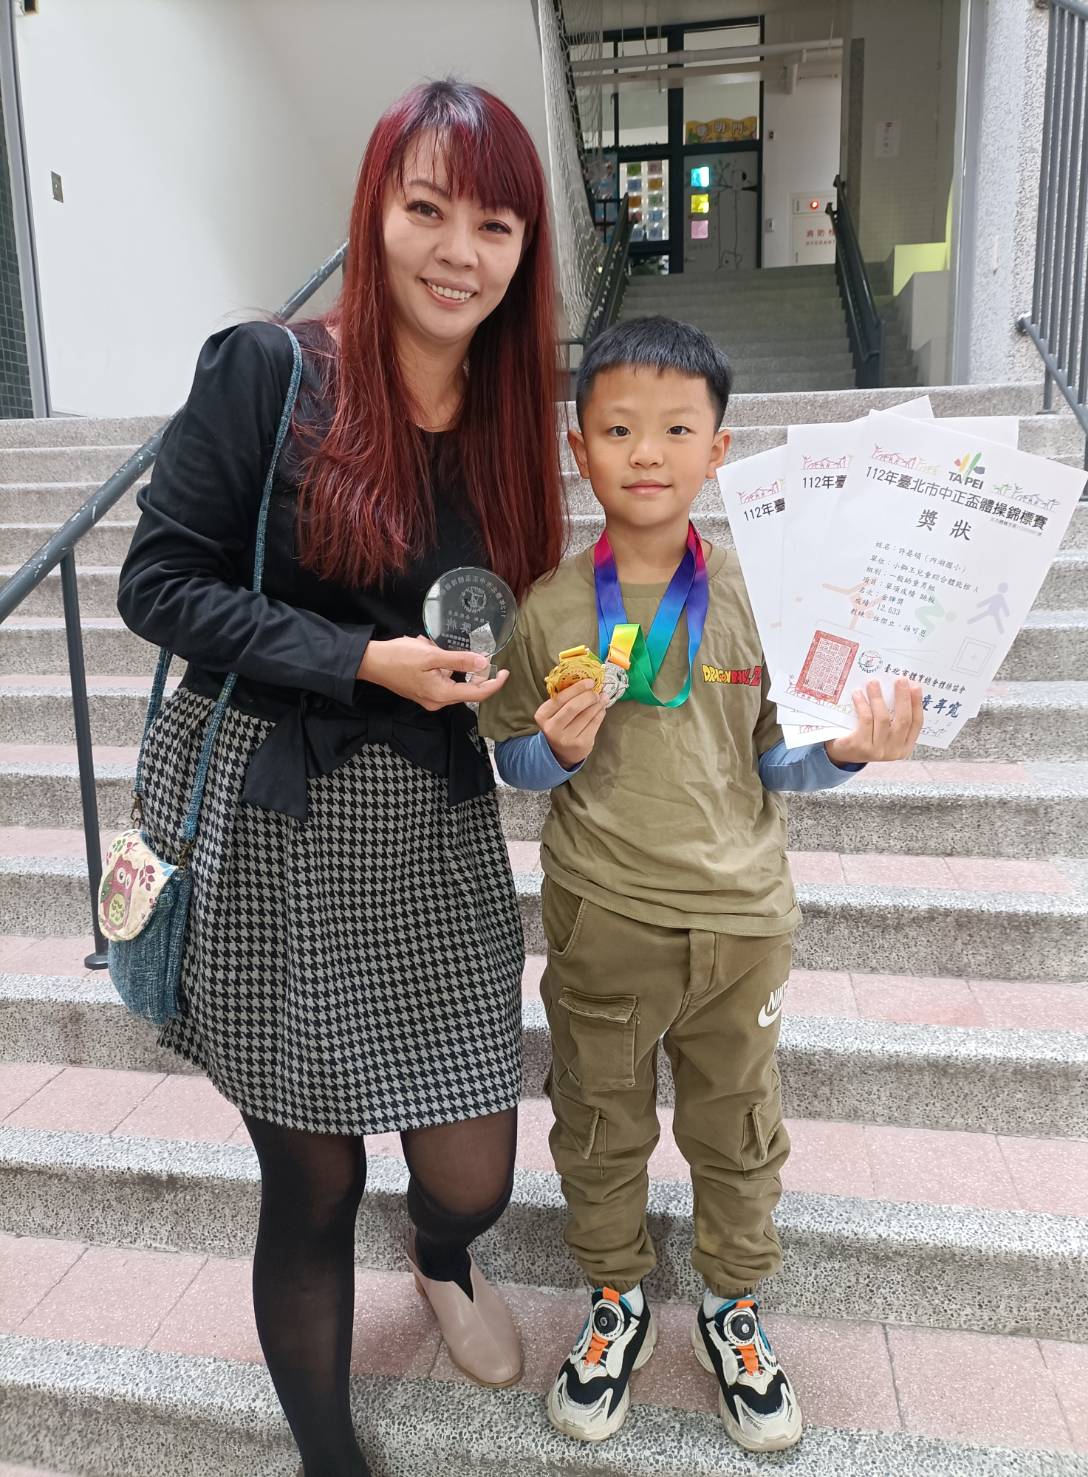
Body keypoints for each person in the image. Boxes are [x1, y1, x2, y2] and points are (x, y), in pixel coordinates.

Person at [116, 81, 564, 1477]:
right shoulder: (272, 370)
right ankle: (328, 1455)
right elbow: (157, 582)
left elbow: (510, 625)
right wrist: (361, 659)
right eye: (427, 208)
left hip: (432, 824)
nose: (458, 250)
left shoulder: (509, 416)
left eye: (493, 224)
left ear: (525, 249)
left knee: (472, 1170)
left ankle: (442, 1253)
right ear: (374, 213)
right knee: (312, 1178)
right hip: (276, 817)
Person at [479, 316, 924, 1453]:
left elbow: (777, 761)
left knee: (739, 1129)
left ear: (718, 450)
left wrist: (846, 751)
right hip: (604, 917)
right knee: (599, 1123)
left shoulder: (763, 595)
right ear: (579, 446)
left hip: (743, 923)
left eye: (678, 429)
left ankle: (732, 1308)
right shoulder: (548, 608)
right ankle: (616, 1300)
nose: (647, 451)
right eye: (618, 428)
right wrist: (556, 751)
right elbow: (513, 761)